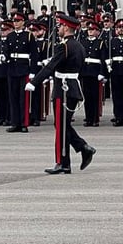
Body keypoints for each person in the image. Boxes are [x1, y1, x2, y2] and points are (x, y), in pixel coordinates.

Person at [26, 12, 96, 175]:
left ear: (66, 27)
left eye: (60, 26)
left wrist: (34, 83)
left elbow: (50, 67)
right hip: (71, 87)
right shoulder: (78, 45)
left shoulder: (63, 46)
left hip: (63, 89)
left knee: (61, 127)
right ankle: (82, 148)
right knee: (62, 125)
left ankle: (62, 162)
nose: (58, 29)